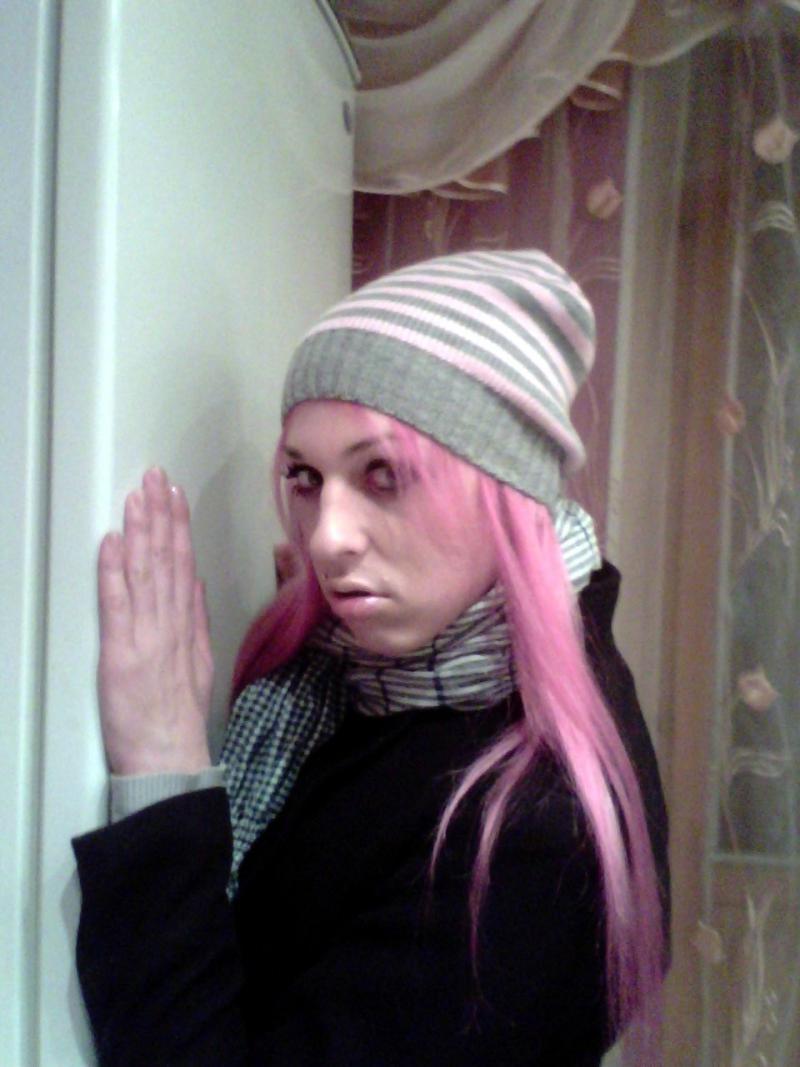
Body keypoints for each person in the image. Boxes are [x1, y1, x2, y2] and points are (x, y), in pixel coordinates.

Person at [73, 250, 670, 1066]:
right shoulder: (395, 677)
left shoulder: (540, 836)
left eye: (383, 474)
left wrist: (162, 771)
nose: (327, 538)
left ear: (508, 488)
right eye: (307, 478)